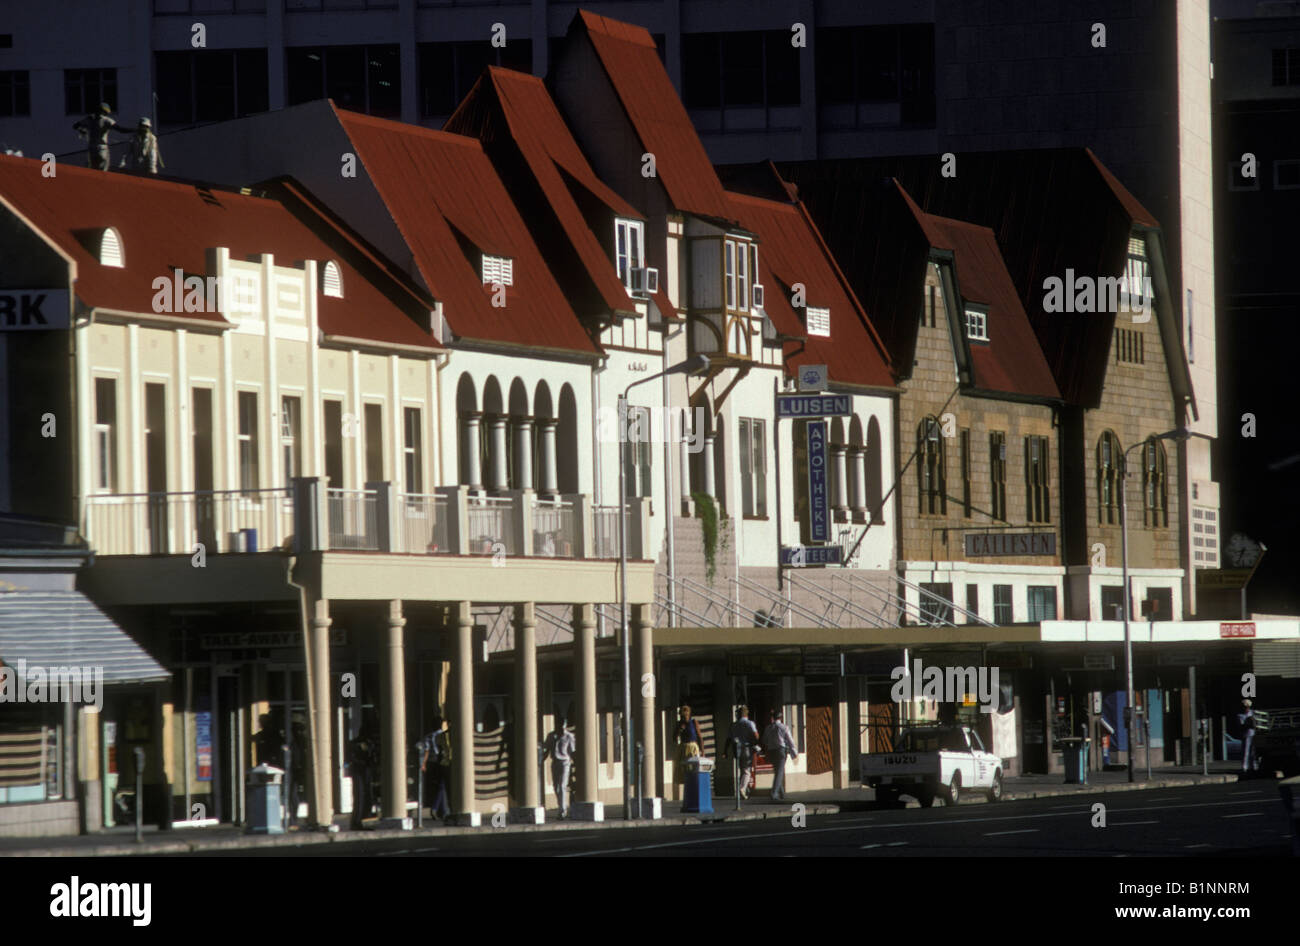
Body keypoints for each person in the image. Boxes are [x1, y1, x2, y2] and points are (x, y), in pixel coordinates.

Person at [72, 103, 130, 171]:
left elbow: (75, 126)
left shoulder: (89, 118)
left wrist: (82, 130)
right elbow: (121, 130)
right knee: (103, 171)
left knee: (93, 170)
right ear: (105, 112)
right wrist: (135, 130)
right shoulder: (107, 120)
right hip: (102, 149)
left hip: (92, 148)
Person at [420, 716, 452, 823]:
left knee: (439, 786)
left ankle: (441, 811)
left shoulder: (429, 736)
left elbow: (426, 750)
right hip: (442, 761)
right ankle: (436, 809)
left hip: (432, 763)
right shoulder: (443, 735)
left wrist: (423, 764)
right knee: (442, 786)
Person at [542, 716, 576, 819]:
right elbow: (546, 750)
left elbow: (573, 751)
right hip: (555, 762)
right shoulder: (551, 736)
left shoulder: (569, 736)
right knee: (556, 787)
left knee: (562, 786)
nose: (559, 726)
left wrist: (575, 764)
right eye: (557, 724)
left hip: (565, 762)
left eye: (561, 724)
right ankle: (562, 806)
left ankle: (562, 811)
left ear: (563, 725)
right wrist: (541, 760)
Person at [762, 709, 798, 801]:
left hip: (771, 751)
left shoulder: (768, 728)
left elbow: (764, 740)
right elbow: (790, 741)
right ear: (781, 718)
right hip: (781, 750)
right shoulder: (784, 727)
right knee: (779, 772)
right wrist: (794, 753)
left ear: (773, 718)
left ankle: (781, 793)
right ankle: (774, 793)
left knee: (777, 771)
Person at [726, 705, 759, 799]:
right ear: (746, 714)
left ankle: (743, 790)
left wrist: (725, 751)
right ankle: (742, 788)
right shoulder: (749, 723)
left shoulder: (733, 725)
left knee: (741, 769)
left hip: (736, 748)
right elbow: (756, 735)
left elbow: (728, 738)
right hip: (747, 747)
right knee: (747, 771)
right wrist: (755, 743)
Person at [675, 704, 703, 784]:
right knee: (682, 770)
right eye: (682, 716)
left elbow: (699, 736)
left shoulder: (694, 722)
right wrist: (680, 730)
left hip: (692, 747)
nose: (684, 718)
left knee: (693, 768)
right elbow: (674, 737)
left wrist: (702, 751)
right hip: (683, 747)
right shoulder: (679, 724)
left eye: (685, 716)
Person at [1237, 699, 1257, 774]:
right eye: (1245, 707)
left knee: (1253, 752)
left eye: (1248, 707)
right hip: (1246, 735)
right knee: (1245, 751)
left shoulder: (1252, 713)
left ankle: (1253, 766)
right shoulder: (1240, 715)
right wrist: (1249, 724)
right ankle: (1244, 766)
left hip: (1253, 734)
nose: (1246, 708)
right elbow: (1241, 725)